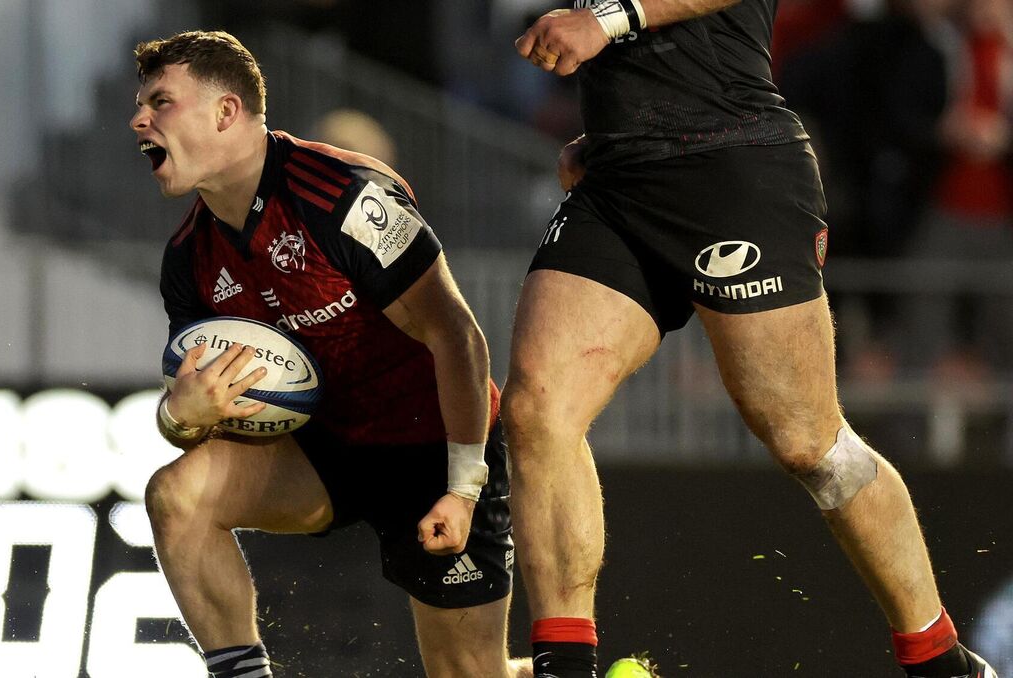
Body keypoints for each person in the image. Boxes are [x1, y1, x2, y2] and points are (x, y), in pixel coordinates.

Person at [506, 3, 999, 678]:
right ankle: (565, 666)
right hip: (620, 180)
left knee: (813, 447)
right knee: (537, 408)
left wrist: (610, 21)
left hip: (733, 167)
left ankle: (942, 661)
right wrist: (618, 124)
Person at [129, 30, 530, 678]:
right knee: (176, 497)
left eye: (161, 101)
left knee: (472, 674)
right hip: (323, 451)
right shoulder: (188, 260)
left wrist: (462, 489)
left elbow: (458, 337)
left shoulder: (343, 194)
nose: (138, 119)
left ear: (226, 112)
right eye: (140, 104)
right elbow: (190, 420)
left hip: (437, 449)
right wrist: (179, 415)